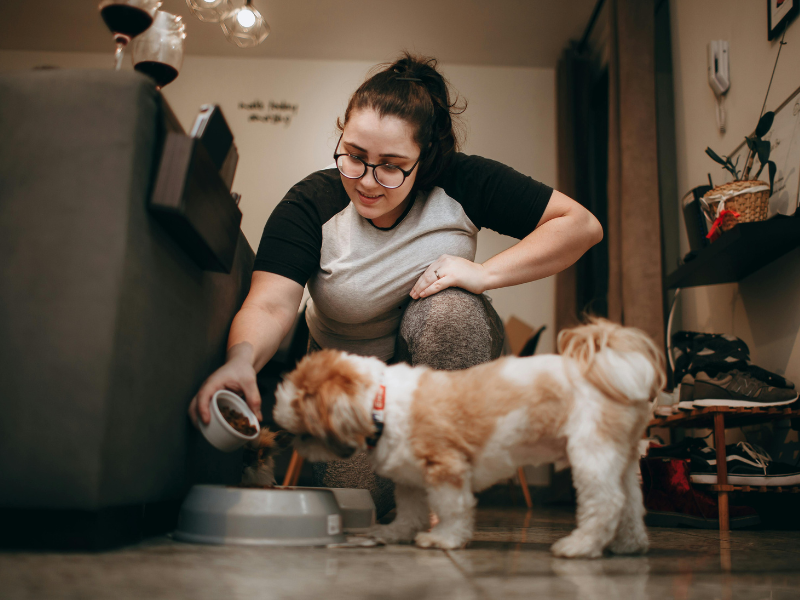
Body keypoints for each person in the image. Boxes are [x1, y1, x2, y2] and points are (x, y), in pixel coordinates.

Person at [188, 53, 603, 515]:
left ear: (425, 159)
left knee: (451, 309)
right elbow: (269, 304)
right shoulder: (311, 204)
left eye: (391, 165)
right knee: (358, 508)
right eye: (354, 157)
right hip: (353, 397)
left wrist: (485, 274)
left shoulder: (461, 181)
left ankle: (442, 491)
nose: (367, 181)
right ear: (341, 137)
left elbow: (580, 225)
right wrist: (240, 360)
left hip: (439, 383)